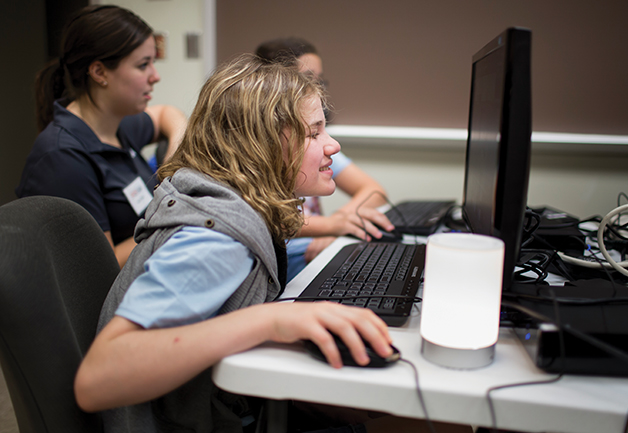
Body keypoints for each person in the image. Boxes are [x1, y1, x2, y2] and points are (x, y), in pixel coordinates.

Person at [73, 54, 470, 433]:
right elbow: (97, 380)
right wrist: (273, 320)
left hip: (228, 409)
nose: (332, 146)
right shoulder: (217, 238)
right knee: (447, 426)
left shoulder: (234, 207)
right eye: (315, 132)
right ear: (260, 144)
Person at [16, 5, 187, 268]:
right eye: (143, 65)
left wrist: (175, 155)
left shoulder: (117, 125)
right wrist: (173, 217)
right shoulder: (63, 157)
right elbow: (98, 267)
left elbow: (168, 114)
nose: (155, 76)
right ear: (99, 73)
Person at [256, 37, 395, 281]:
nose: (318, 89)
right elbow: (264, 220)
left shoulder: (319, 146)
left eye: (320, 81)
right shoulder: (258, 151)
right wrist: (331, 226)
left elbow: (374, 191)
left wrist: (339, 221)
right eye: (308, 79)